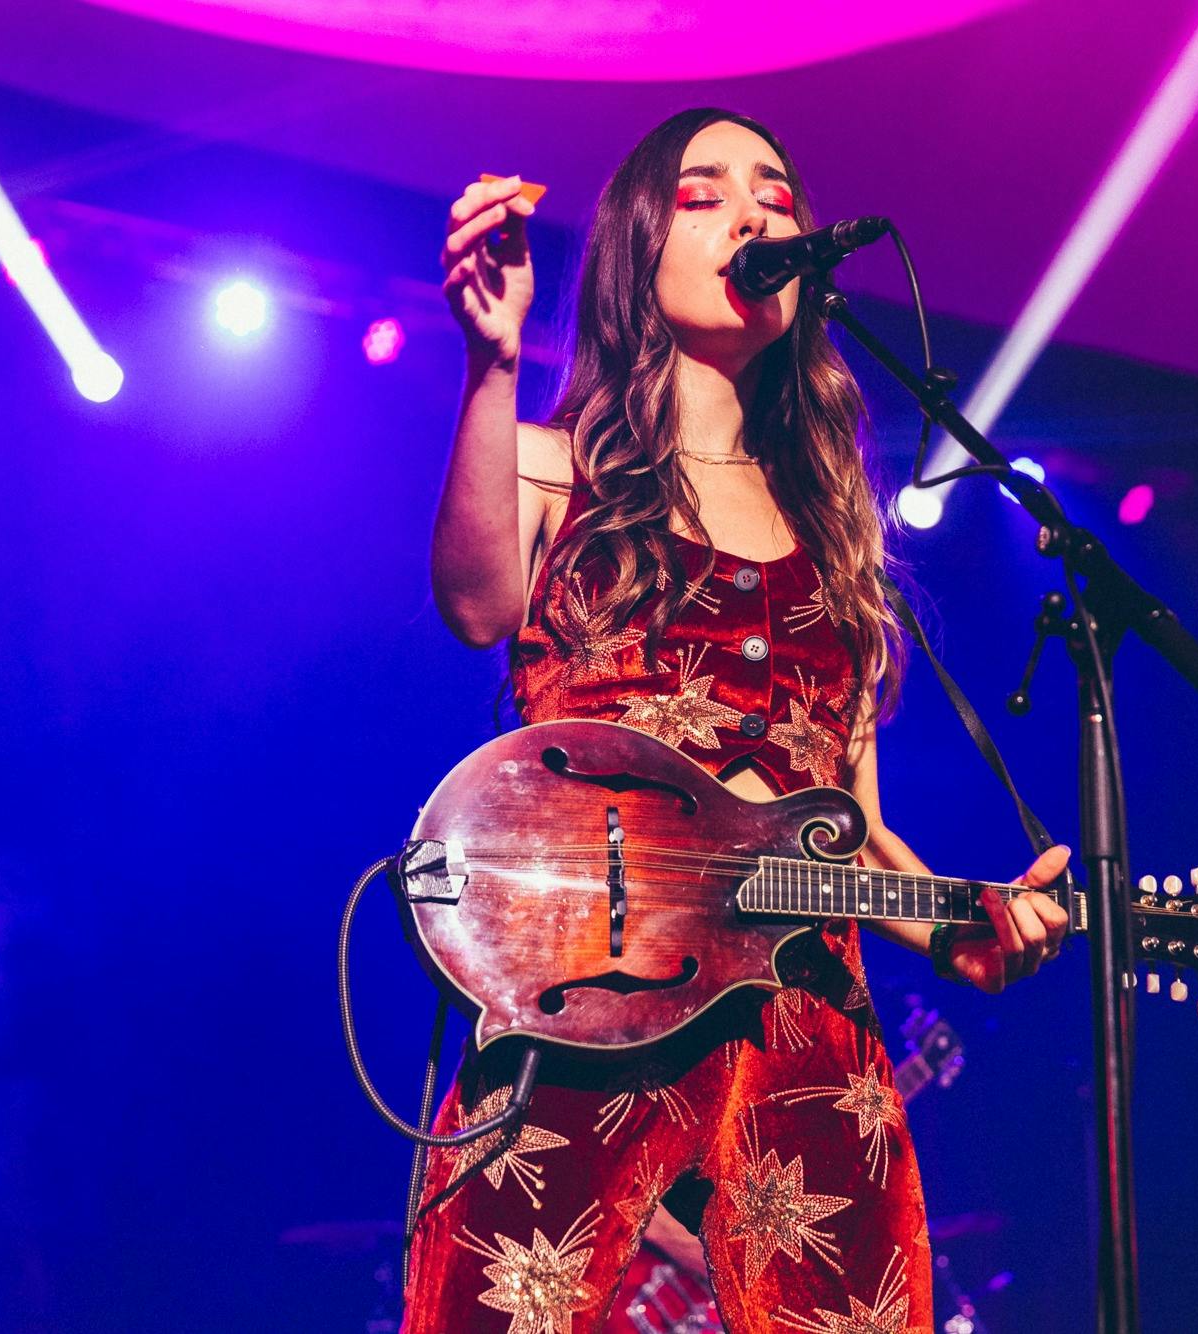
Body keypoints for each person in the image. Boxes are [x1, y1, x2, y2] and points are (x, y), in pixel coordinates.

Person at [409, 106, 1071, 1333]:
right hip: (583, 1001)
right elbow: (471, 602)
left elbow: (855, 827)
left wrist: (963, 929)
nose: (754, 211)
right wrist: (490, 364)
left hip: (806, 1027)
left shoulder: (836, 534)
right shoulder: (561, 468)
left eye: (773, 191)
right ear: (635, 250)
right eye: (704, 191)